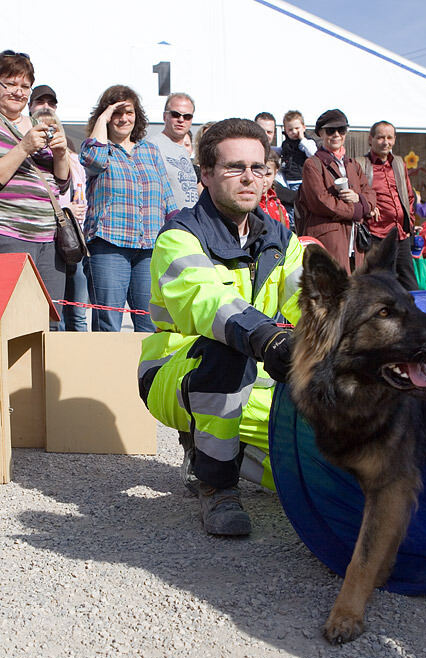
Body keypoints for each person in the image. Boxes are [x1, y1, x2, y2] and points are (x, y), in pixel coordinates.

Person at [138, 118, 303, 536]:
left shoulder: (282, 241)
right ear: (206, 174)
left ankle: (211, 451)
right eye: (234, 167)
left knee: (307, 470)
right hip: (177, 372)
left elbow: (315, 301)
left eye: (258, 167)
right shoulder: (180, 237)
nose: (249, 177)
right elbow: (206, 301)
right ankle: (217, 486)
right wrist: (268, 335)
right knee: (227, 345)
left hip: (258, 375)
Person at [0, 51, 70, 324]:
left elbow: (61, 183)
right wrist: (24, 147)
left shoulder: (39, 124)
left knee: (49, 322)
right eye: (10, 84)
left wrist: (61, 153)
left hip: (49, 238)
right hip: (6, 234)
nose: (18, 92)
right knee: (12, 321)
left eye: (25, 86)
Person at [81, 85, 176, 332]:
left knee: (150, 325)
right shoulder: (98, 149)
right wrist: (102, 118)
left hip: (149, 248)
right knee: (108, 324)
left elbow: (166, 193)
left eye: (129, 112)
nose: (124, 118)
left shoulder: (150, 150)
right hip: (109, 244)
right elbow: (94, 161)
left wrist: (179, 229)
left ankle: (146, 372)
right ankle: (106, 371)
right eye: (116, 113)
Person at [29, 85, 88, 331]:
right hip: (49, 238)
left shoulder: (71, 157)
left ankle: (77, 363)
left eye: (51, 103)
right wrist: (66, 212)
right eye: (40, 102)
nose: (46, 107)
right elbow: (53, 194)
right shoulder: (29, 152)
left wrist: (78, 211)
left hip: (74, 240)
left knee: (79, 312)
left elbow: (77, 191)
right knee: (56, 313)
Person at [296, 109, 376, 274]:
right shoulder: (313, 164)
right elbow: (321, 202)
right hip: (328, 240)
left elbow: (370, 194)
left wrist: (358, 198)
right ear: (321, 133)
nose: (336, 134)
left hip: (355, 241)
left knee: (353, 289)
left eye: (341, 130)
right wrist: (357, 210)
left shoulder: (353, 164)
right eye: (330, 130)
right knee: (331, 290)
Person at [354, 121, 418, 290]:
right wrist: (367, 207)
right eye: (381, 137)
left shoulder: (398, 162)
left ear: (395, 139)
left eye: (389, 137)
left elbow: (409, 195)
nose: (385, 142)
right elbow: (356, 194)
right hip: (376, 235)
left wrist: (410, 221)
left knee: (411, 285)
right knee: (377, 284)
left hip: (400, 234)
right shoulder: (360, 164)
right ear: (371, 139)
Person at [148, 92, 199, 210]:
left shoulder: (184, 150)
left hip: (189, 223)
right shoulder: (152, 146)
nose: (181, 120)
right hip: (166, 223)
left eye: (187, 117)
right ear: (165, 116)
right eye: (176, 114)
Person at [280, 110, 316, 190]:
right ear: (285, 130)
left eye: (297, 128)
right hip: (289, 181)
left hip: (304, 180)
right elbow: (280, 152)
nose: (294, 132)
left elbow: (313, 154)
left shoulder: (307, 142)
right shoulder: (286, 144)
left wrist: (302, 139)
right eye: (290, 130)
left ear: (304, 128)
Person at [258, 151, 290, 229]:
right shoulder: (248, 206)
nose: (263, 180)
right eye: (258, 173)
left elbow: (286, 236)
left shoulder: (278, 206)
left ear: (275, 173)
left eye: (268, 174)